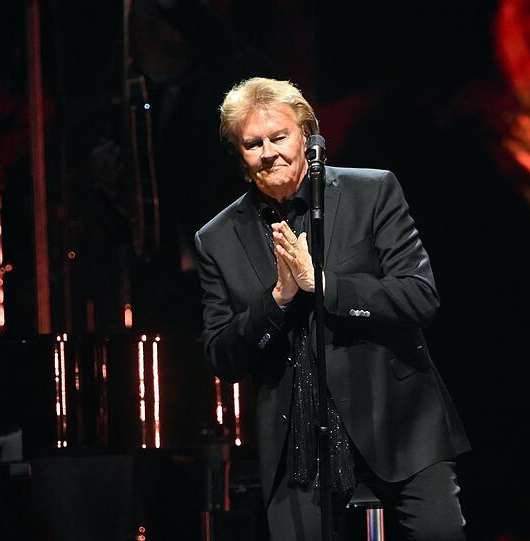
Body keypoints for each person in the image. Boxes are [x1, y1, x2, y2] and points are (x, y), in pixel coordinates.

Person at [194, 77, 471, 540]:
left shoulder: (373, 192)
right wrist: (277, 301)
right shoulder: (217, 239)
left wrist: (324, 286)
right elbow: (222, 354)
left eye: (279, 137)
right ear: (239, 156)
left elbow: (419, 296)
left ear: (306, 134)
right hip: (298, 442)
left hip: (396, 417)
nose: (269, 152)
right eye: (252, 144)